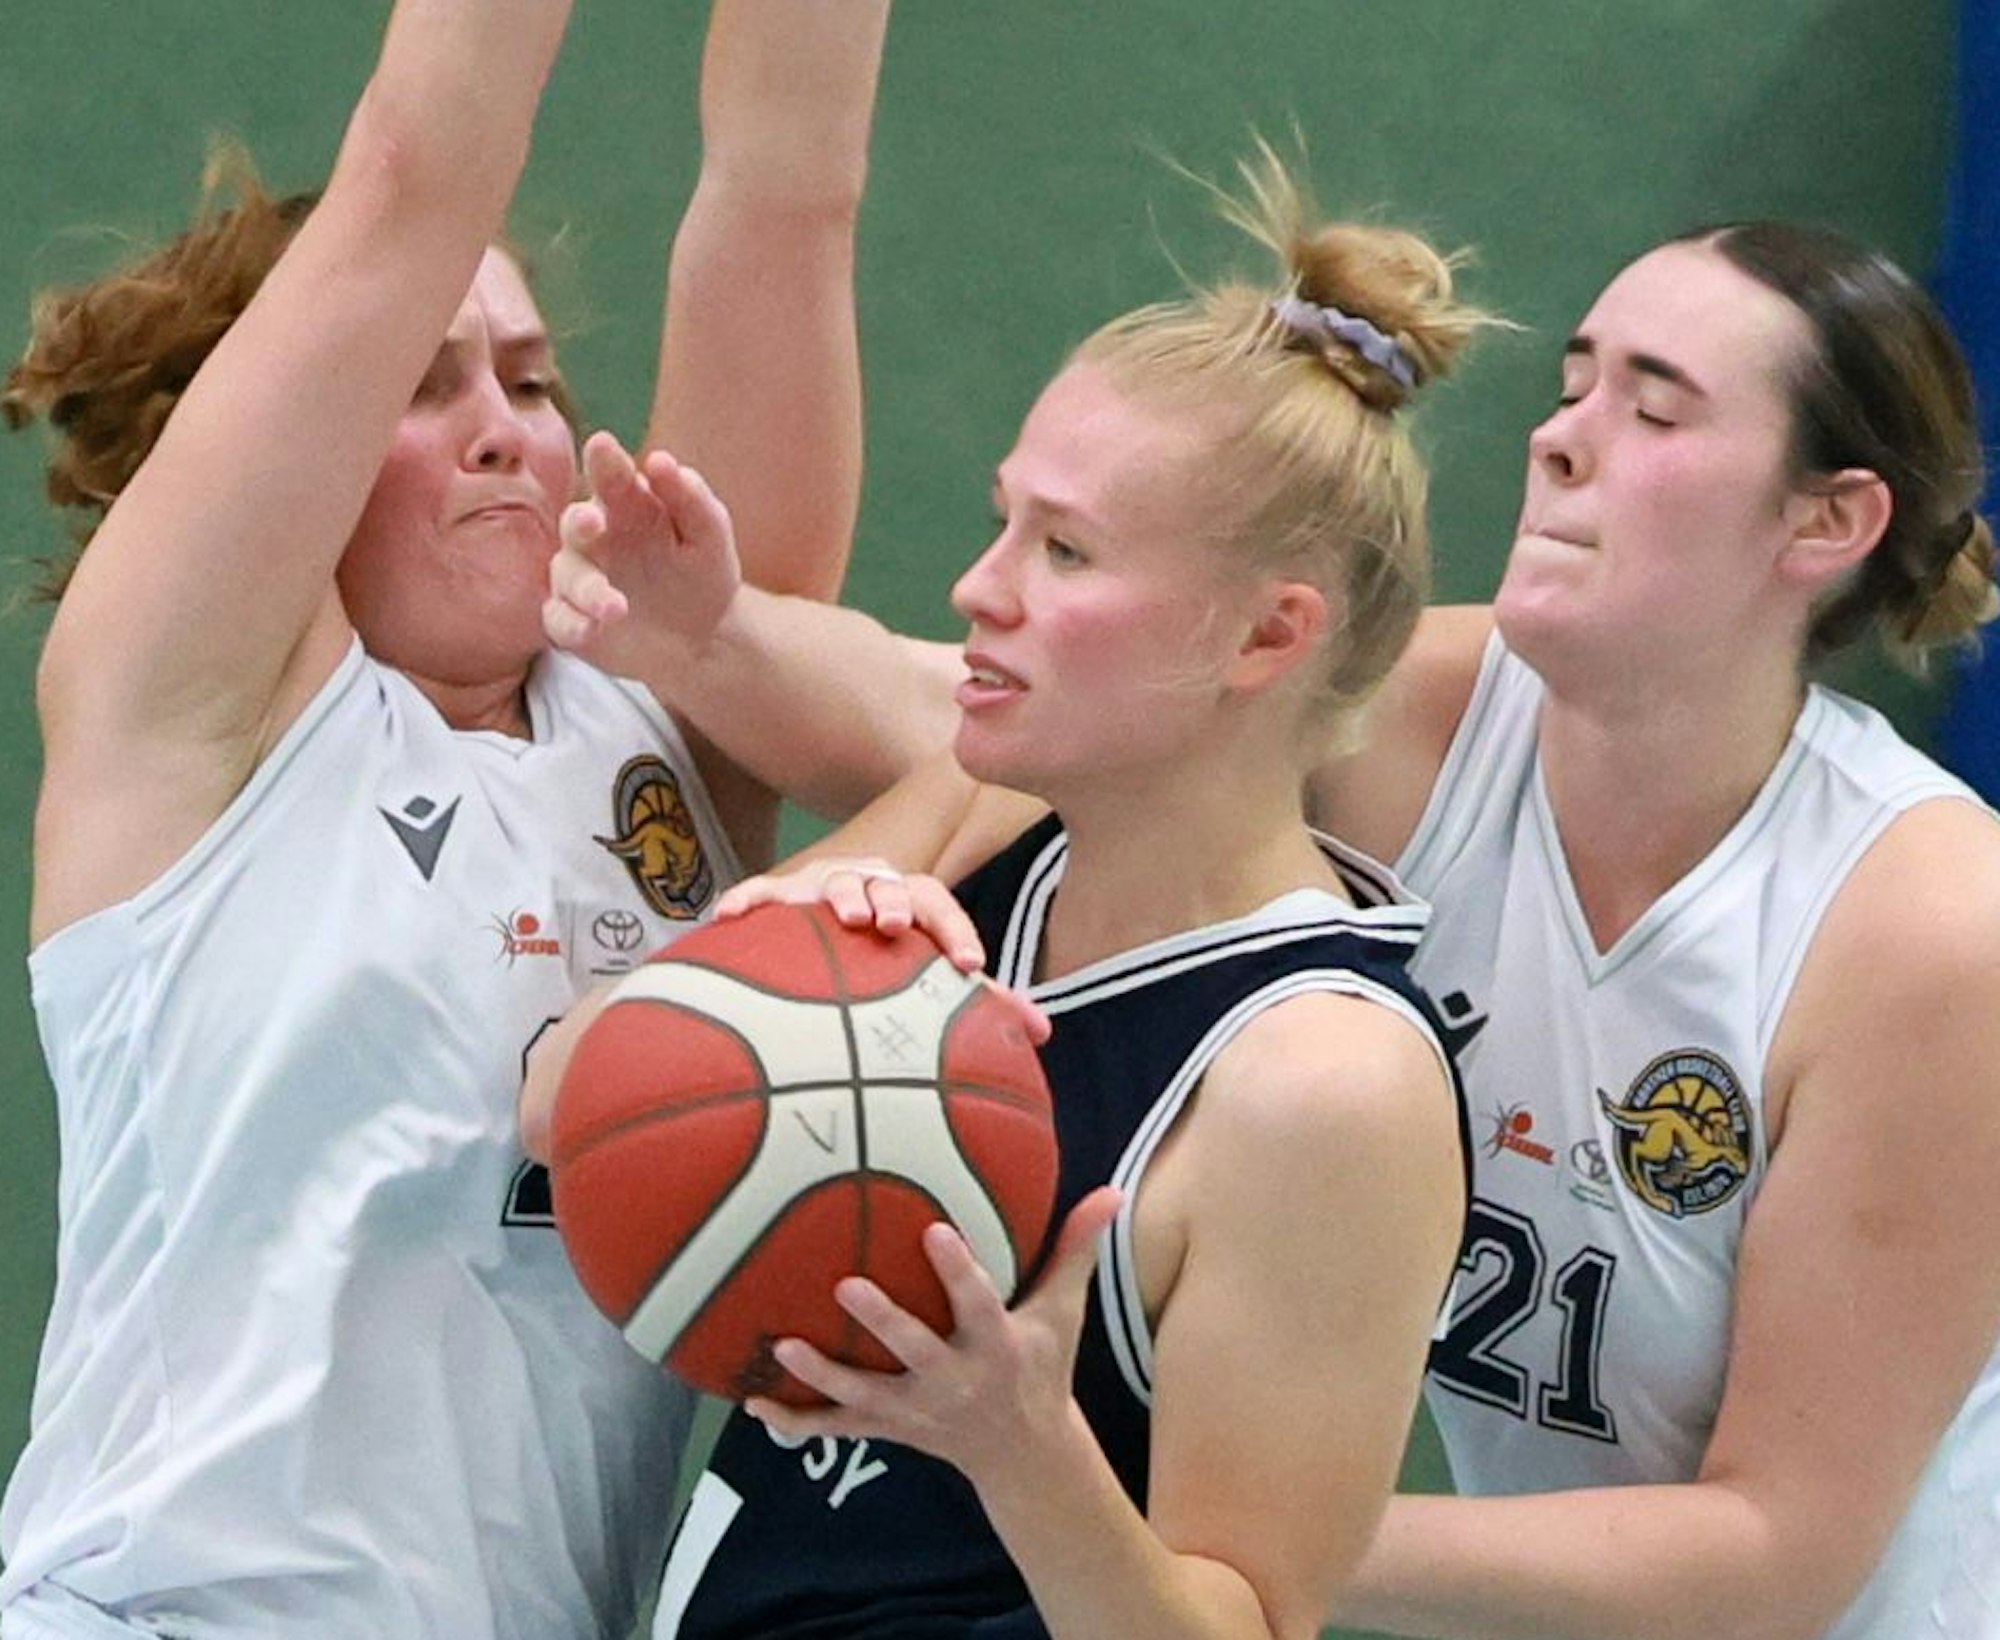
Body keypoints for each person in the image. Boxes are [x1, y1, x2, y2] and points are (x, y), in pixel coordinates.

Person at [786, 218, 2000, 1640]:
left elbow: (1777, 1554)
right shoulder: (1428, 713)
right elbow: (997, 702)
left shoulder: (1930, 930)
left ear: (1825, 522)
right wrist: (679, 641)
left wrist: (1206, 1517)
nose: (1562, 440)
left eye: (1655, 406)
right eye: (1573, 385)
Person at [0, 2, 935, 1636]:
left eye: (529, 374)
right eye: (424, 384)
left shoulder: (668, 713)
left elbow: (790, 186)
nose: (506, 423)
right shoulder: (191, 721)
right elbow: (418, 165)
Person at [526, 149, 1480, 1640]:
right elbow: (567, 1111)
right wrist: (784, 944)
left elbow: (1249, 1621)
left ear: (1264, 636)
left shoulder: (1324, 1084)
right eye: (1004, 522)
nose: (981, 587)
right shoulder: (988, 822)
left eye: (1067, 548)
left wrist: (1019, 1442)